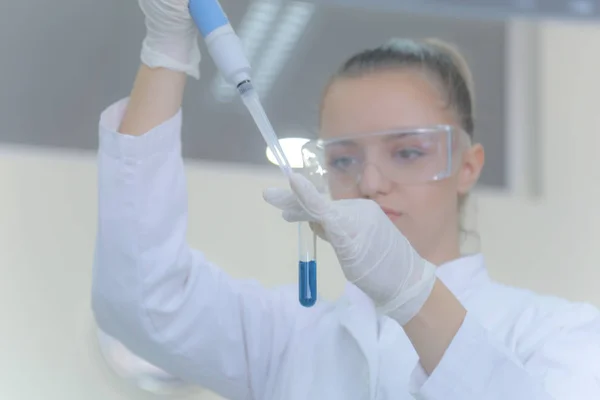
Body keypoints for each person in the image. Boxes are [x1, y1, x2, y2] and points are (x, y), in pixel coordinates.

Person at [91, 1, 600, 399]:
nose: (372, 182)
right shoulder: (288, 336)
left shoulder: (558, 332)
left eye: (407, 152)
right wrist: (165, 52)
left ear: (467, 166)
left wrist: (414, 294)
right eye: (343, 160)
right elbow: (141, 299)